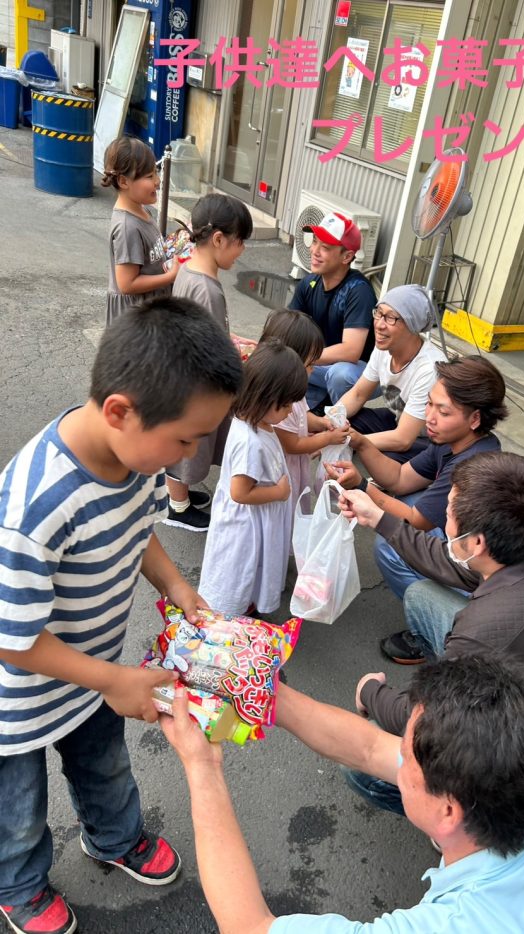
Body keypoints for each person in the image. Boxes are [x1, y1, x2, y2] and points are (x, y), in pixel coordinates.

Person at [0, 297, 243, 934]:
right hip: (19, 695)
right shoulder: (35, 506)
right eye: (186, 438)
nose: (190, 454)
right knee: (17, 806)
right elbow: (13, 640)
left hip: (95, 672)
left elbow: (140, 534)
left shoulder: (137, 462)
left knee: (104, 762)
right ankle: (20, 886)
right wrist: (112, 680)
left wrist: (176, 586)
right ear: (119, 411)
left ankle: (115, 837)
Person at [160, 651, 524, 933]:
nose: (397, 759)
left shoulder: (455, 926)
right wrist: (264, 694)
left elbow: (249, 928)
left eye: (407, 756)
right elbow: (367, 748)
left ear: (449, 810)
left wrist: (201, 765)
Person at [340, 451, 524, 809]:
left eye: (448, 510)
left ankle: (474, 832)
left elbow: (424, 720)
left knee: (365, 766)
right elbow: (455, 565)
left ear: (477, 542)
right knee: (422, 596)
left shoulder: (487, 629)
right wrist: (380, 519)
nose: (443, 516)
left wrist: (371, 693)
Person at [326, 355, 507, 602]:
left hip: (480, 567)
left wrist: (361, 486)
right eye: (429, 404)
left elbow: (414, 521)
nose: (429, 417)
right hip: (467, 543)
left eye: (443, 411)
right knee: (410, 498)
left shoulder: (472, 465)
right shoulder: (452, 441)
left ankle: (442, 618)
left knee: (391, 546)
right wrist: (361, 443)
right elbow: (400, 478)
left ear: (475, 419)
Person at [164, 193, 254, 533]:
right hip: (196, 384)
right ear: (218, 239)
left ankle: (180, 496)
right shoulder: (208, 290)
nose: (242, 250)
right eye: (239, 242)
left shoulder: (189, 269)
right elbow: (210, 348)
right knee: (188, 444)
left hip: (181, 372)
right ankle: (177, 506)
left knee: (187, 441)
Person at [198, 340, 308, 616]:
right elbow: (241, 492)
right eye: (286, 405)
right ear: (265, 398)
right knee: (238, 571)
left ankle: (246, 603)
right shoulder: (250, 441)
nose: (289, 411)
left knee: (254, 568)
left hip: (257, 522)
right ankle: (230, 615)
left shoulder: (259, 423)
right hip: (245, 526)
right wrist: (279, 492)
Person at [335, 284, 446, 464]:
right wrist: (326, 424)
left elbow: (402, 439)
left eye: (390, 318)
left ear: (412, 324)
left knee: (385, 458)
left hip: (429, 440)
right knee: (346, 421)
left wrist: (348, 439)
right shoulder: (384, 348)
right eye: (378, 313)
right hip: (400, 421)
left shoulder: (429, 369)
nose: (379, 325)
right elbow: (357, 394)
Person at [257, 310, 351, 514]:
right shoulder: (277, 400)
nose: (313, 370)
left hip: (294, 467)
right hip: (281, 470)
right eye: (310, 365)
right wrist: (328, 438)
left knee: (296, 507)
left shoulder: (293, 388)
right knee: (286, 512)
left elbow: (302, 416)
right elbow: (293, 444)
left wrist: (322, 423)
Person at [288, 212, 376, 411]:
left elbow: (352, 351)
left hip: (360, 372)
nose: (314, 251)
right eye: (315, 242)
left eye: (325, 247)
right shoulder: (308, 283)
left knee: (340, 375)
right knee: (280, 357)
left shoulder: (358, 290)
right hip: (321, 363)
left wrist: (302, 358)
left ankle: (342, 425)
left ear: (347, 256)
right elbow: (287, 327)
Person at [102, 136, 178, 325]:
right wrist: (170, 276)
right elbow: (127, 284)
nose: (158, 181)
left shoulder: (141, 210)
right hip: (134, 320)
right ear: (123, 181)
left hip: (149, 311)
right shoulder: (128, 227)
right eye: (149, 176)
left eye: (156, 173)